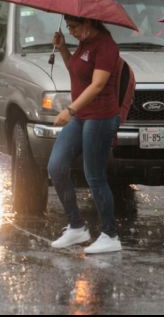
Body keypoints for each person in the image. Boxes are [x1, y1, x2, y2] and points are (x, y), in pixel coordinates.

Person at [47, 14, 123, 254]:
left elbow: (98, 84)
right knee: (56, 167)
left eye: (74, 27)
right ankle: (77, 226)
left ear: (89, 22)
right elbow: (77, 71)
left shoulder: (106, 46)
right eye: (68, 27)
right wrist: (63, 49)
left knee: (94, 176)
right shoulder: (84, 43)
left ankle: (110, 234)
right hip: (81, 117)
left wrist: (71, 110)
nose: (71, 31)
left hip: (100, 117)